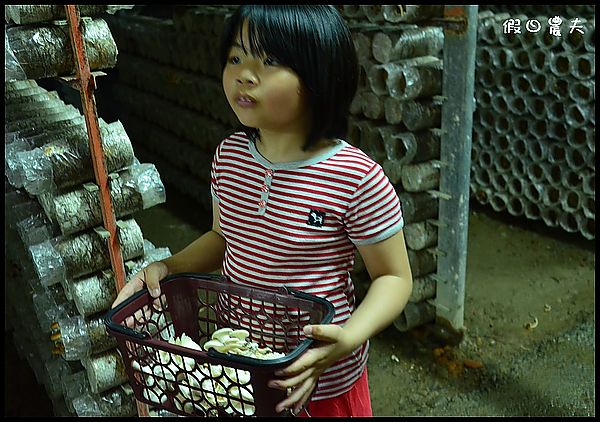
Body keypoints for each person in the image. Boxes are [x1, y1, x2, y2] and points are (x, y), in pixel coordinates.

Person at [112, 5, 413, 417]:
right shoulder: (229, 156)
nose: (244, 74)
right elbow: (223, 238)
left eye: (269, 62)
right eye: (236, 58)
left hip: (319, 379)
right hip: (240, 369)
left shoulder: (356, 177)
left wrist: (348, 336)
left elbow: (394, 278)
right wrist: (170, 265)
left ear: (318, 74)